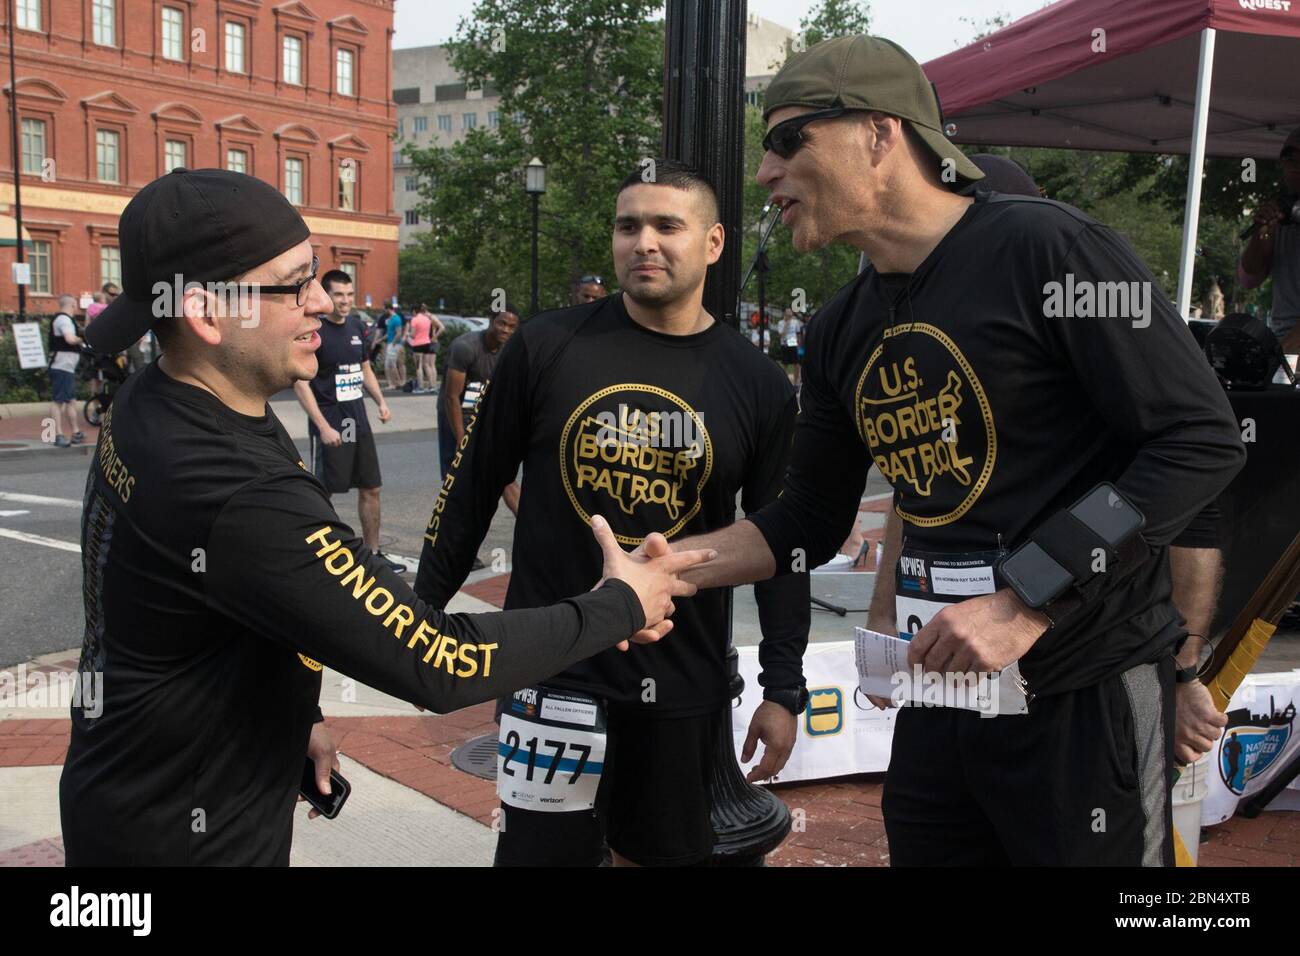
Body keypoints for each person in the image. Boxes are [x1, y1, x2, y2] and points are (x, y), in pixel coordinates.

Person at [641, 35, 1246, 866]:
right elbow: (809, 518)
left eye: (788, 141)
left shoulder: (1050, 250)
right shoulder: (840, 328)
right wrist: (672, 567)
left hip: (1081, 689)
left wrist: (1026, 600)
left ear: (881, 135)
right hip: (942, 697)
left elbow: (1199, 440)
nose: (766, 173)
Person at [64, 167, 712, 866]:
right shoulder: (237, 492)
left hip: (131, 791)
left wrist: (296, 711)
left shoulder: (159, 399)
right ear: (207, 313)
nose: (326, 304)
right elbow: (441, 660)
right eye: (294, 284)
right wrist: (620, 603)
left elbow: (238, 599)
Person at [417, 161, 810, 867]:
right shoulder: (546, 346)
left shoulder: (756, 383)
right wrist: (412, 620)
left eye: (667, 225)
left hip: (681, 686)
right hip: (550, 675)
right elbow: (470, 491)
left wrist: (784, 688)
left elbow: (782, 543)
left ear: (714, 243)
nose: (644, 243)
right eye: (628, 226)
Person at [293, 270, 405, 575]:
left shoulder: (358, 327)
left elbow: (364, 368)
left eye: (349, 294)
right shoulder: (315, 330)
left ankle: (374, 553)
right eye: (339, 294)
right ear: (327, 296)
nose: (345, 301)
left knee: (371, 487)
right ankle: (316, 559)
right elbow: (301, 383)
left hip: (359, 421)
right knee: (322, 492)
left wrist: (381, 402)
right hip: (330, 423)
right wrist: (322, 426)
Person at [438, 307, 519, 484]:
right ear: (491, 321)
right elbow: (451, 397)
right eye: (502, 323)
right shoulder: (465, 347)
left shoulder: (508, 351)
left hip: (482, 412)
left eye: (512, 327)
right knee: (456, 477)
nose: (506, 330)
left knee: (503, 477)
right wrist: (461, 440)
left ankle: (525, 513)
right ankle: (452, 510)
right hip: (456, 413)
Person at [1240, 127, 1300, 348]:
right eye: (1290, 160)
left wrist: (1280, 360)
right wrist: (1261, 235)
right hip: (1283, 343)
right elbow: (1249, 277)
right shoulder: (1283, 216)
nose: (1295, 169)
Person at [47, 294, 85, 448]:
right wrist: (83, 338)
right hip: (62, 366)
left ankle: (75, 432)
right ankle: (57, 435)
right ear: (72, 305)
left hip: (66, 367)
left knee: (70, 401)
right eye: (74, 305)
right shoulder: (64, 320)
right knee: (58, 402)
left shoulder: (63, 319)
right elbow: (70, 339)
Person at [407, 304, 444, 393]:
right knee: (428, 365)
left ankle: (421, 387)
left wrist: (434, 336)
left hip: (422, 343)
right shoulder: (428, 318)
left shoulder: (422, 318)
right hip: (427, 343)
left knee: (420, 366)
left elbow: (442, 327)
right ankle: (432, 385)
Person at [383, 306, 408, 390]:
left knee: (391, 364)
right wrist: (379, 340)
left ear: (389, 309)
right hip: (391, 343)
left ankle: (396, 383)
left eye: (385, 310)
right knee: (388, 364)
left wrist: (393, 343)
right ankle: (392, 383)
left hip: (394, 344)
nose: (385, 312)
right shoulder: (390, 319)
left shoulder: (396, 319)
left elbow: (399, 333)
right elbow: (389, 333)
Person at [777, 307, 804, 385]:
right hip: (785, 344)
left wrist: (799, 344)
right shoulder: (781, 323)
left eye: (790, 314)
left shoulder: (795, 322)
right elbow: (781, 335)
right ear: (785, 314)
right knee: (785, 364)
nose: (789, 316)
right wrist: (787, 324)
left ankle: (796, 383)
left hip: (793, 343)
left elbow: (798, 334)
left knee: (796, 364)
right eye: (788, 314)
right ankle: (784, 382)